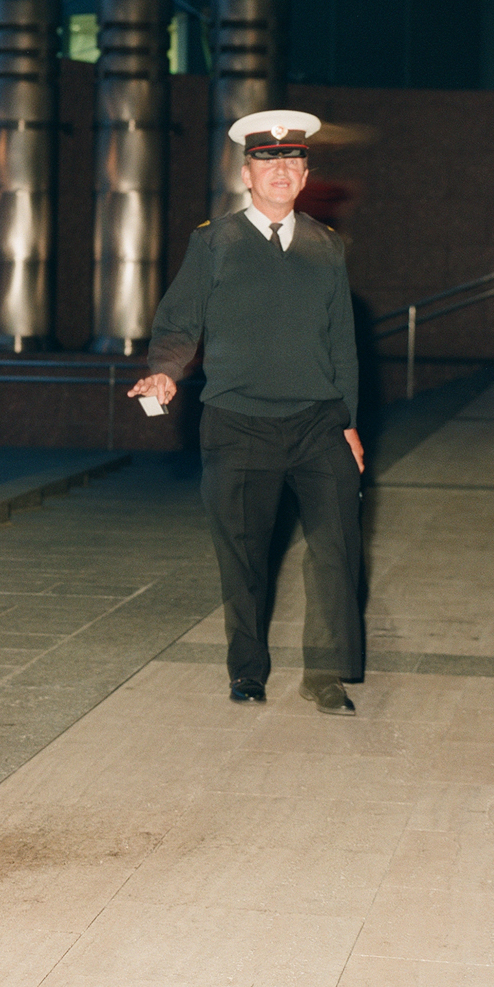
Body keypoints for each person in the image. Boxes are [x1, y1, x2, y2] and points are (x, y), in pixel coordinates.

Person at [129, 110, 365, 715]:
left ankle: (326, 674)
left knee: (336, 550)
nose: (281, 169)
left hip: (318, 423)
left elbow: (342, 343)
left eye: (292, 160)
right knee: (244, 556)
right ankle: (248, 671)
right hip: (237, 424)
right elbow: (180, 322)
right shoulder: (214, 242)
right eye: (268, 160)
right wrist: (166, 369)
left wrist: (350, 422)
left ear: (306, 171)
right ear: (247, 173)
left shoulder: (327, 247)